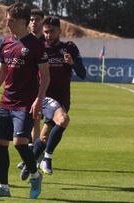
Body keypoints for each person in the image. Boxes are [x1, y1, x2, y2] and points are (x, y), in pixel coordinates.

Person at [0, 2, 50, 199]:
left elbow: (45, 75)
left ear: (22, 21)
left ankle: (35, 176)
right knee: (0, 142)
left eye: (10, 19)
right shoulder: (6, 43)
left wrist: (39, 99)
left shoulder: (36, 45)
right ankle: (4, 187)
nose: (7, 22)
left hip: (25, 104)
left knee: (20, 142)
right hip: (5, 102)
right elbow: (2, 72)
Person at [30, 16, 86, 175]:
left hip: (63, 98)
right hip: (45, 98)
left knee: (45, 136)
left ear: (60, 31)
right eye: (46, 32)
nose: (48, 35)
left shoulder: (69, 48)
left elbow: (83, 74)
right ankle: (46, 158)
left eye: (52, 32)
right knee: (61, 121)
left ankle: (30, 163)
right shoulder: (39, 47)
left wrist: (72, 63)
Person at [17, 7, 46, 179]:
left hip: (40, 88)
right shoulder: (24, 40)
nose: (34, 23)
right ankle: (30, 155)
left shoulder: (45, 42)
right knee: (24, 124)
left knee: (35, 122)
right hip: (25, 88)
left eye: (38, 20)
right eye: (32, 20)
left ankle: (35, 156)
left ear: (43, 21)